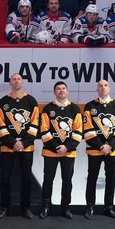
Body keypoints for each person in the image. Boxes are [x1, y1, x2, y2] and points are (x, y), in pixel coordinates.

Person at [0, 73, 41, 219]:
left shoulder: (31, 101)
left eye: (19, 79)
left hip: (26, 147)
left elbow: (34, 125)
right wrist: (13, 143)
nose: (16, 81)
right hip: (7, 147)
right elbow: (0, 126)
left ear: (23, 82)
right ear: (10, 83)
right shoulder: (3, 102)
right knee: (4, 178)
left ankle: (25, 207)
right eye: (13, 79)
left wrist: (23, 143)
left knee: (26, 178)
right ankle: (4, 207)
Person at [40, 81, 83, 219]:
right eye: (58, 89)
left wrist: (67, 147)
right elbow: (44, 131)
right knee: (48, 180)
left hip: (68, 153)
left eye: (63, 88)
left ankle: (66, 207)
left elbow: (78, 131)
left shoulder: (75, 109)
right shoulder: (47, 108)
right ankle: (46, 206)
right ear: (54, 92)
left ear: (67, 91)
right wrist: (56, 147)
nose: (61, 91)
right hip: (50, 152)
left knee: (67, 181)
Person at [82, 79, 115, 219]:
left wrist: (110, 146)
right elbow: (88, 130)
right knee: (92, 178)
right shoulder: (90, 106)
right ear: (97, 89)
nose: (103, 87)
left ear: (109, 88)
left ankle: (109, 207)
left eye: (105, 85)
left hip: (112, 150)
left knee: (111, 179)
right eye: (100, 86)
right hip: (95, 150)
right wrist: (101, 146)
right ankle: (90, 207)